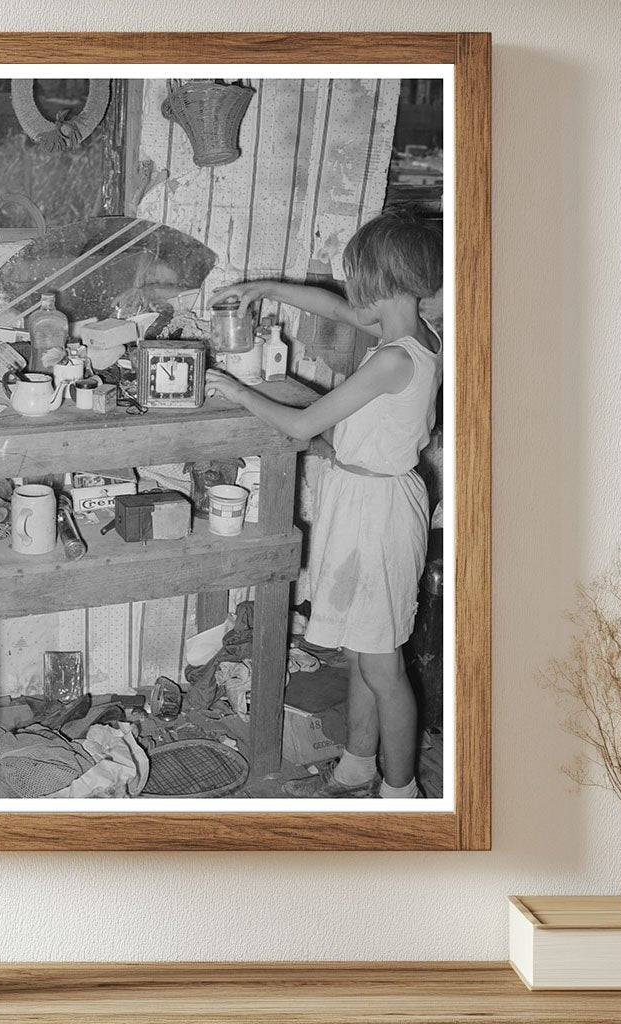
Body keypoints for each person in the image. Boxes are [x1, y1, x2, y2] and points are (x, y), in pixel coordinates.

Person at [206, 206, 442, 800]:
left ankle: (402, 790)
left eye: (358, 279)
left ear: (381, 284)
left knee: (384, 668)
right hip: (362, 497)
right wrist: (265, 288)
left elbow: (304, 423)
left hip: (381, 512)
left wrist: (235, 389)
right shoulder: (410, 332)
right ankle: (359, 765)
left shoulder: (394, 359)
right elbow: (337, 308)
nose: (351, 294)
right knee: (365, 652)